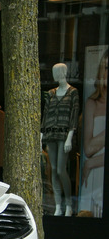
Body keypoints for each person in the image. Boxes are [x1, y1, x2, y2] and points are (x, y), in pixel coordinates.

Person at [41, 63, 80, 216]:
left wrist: (70, 137)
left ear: (63, 72)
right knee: (53, 171)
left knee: (60, 169)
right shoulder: (50, 93)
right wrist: (41, 136)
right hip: (51, 134)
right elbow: (46, 115)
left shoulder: (73, 93)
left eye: (56, 72)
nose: (55, 75)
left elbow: (74, 115)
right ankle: (58, 205)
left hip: (64, 135)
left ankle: (68, 204)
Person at [79, 50, 107, 217]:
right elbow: (88, 148)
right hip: (94, 175)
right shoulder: (92, 103)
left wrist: (92, 162)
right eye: (105, 67)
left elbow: (91, 156)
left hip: (96, 167)